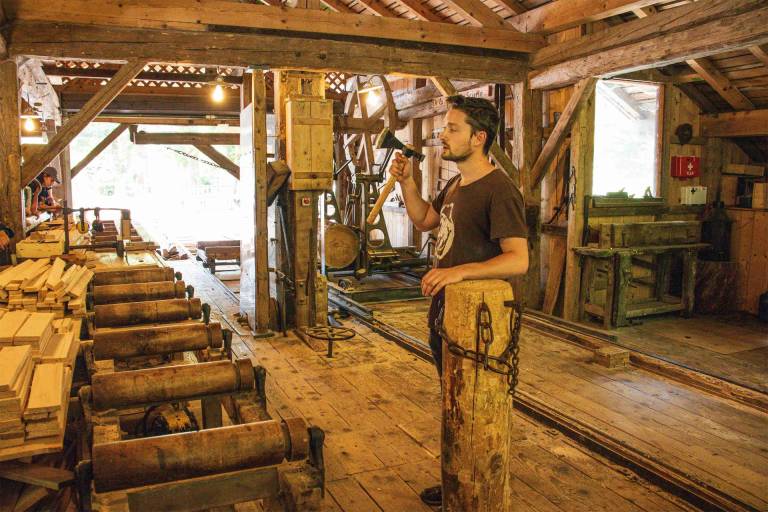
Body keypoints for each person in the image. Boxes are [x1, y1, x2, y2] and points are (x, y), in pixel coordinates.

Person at [388, 94, 529, 507]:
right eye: (444, 127)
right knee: (453, 398)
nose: (442, 134)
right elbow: (426, 221)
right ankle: (456, 482)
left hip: (480, 319)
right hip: (447, 311)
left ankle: (476, 488)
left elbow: (518, 259)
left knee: (474, 404)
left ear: (479, 137)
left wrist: (458, 271)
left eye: (452, 128)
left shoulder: (499, 190)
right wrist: (408, 183)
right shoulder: (455, 183)